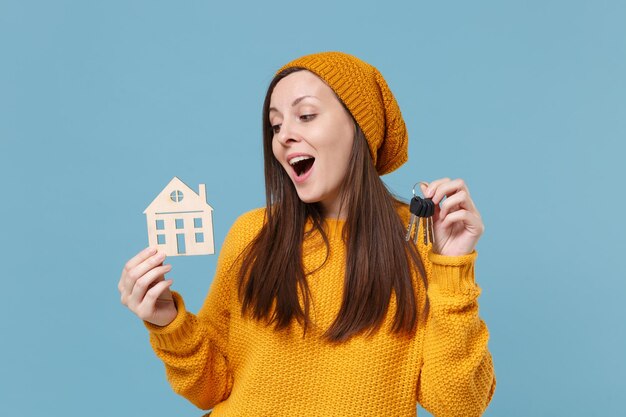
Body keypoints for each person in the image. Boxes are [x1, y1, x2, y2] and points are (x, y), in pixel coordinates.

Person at [118, 51, 496, 416]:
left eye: (306, 115)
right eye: (276, 125)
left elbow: (457, 403)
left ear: (361, 127)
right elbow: (211, 388)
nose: (284, 136)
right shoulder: (253, 233)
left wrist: (453, 266)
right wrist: (168, 320)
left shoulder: (421, 240)